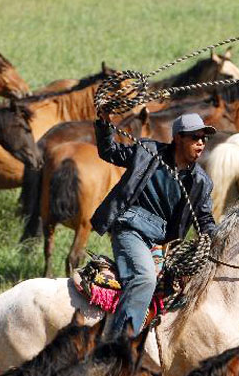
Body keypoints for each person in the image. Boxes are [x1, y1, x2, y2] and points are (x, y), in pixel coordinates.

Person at [91, 112, 217, 340]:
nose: (201, 143)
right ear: (178, 138)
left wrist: (213, 239)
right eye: (195, 137)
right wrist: (104, 123)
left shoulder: (201, 181)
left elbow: (205, 220)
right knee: (144, 278)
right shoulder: (147, 152)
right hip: (130, 229)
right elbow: (108, 151)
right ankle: (117, 345)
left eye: (204, 138)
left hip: (161, 242)